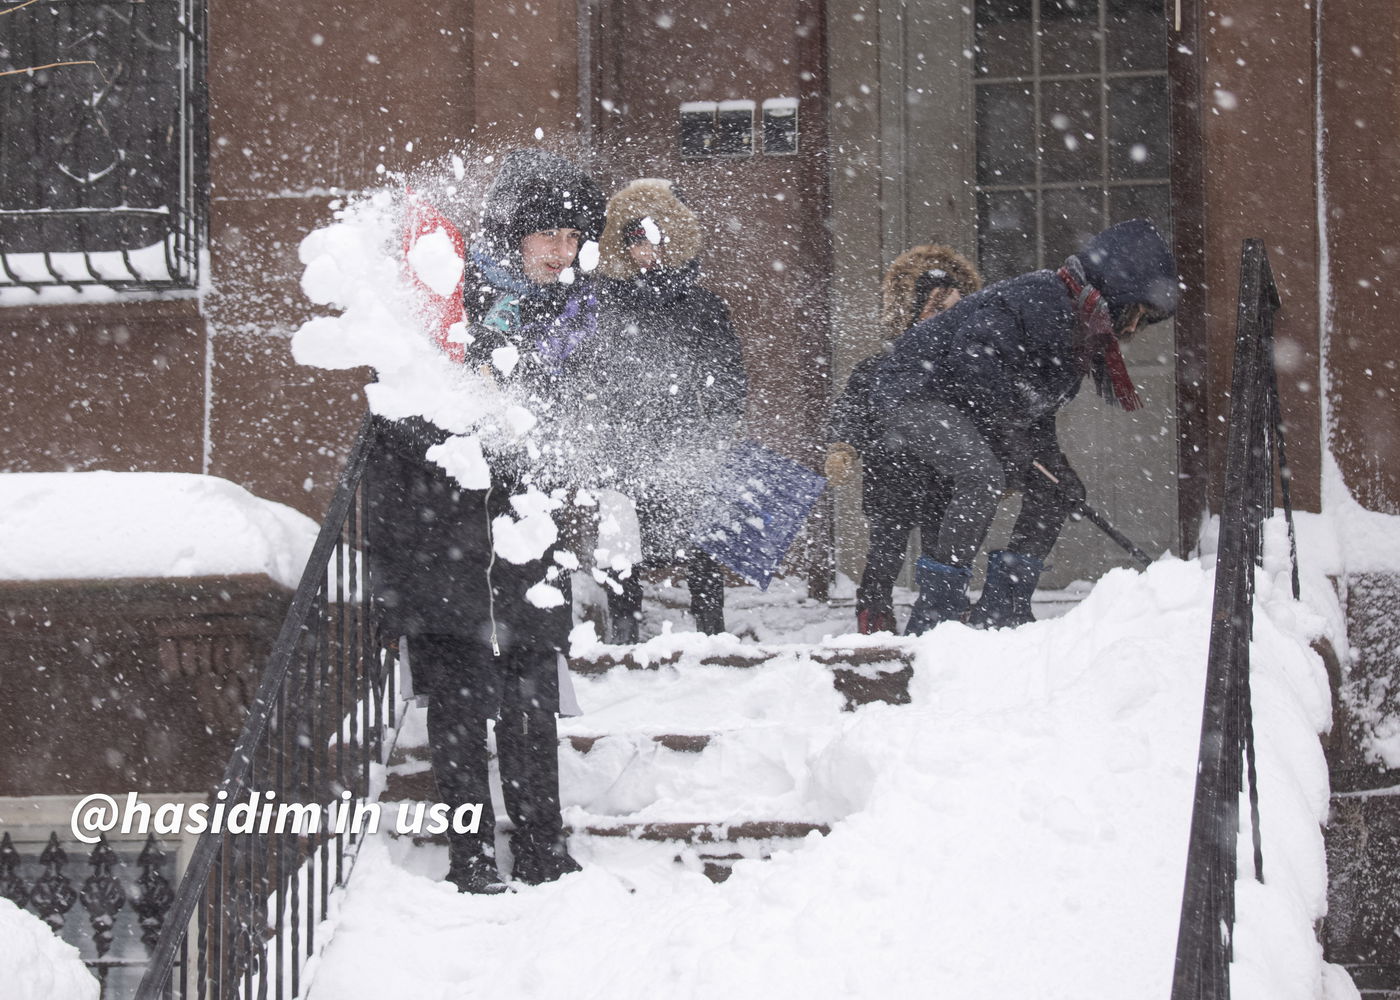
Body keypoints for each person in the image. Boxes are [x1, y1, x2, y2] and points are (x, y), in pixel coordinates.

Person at [365, 149, 605, 893]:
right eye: (549, 236)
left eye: (574, 237)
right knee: (464, 709)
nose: (563, 251)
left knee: (532, 699)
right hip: (449, 539)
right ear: (517, 235)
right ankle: (470, 858)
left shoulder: (566, 317)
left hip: (524, 541)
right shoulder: (453, 305)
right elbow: (403, 415)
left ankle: (541, 847)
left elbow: (564, 427)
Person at [872, 218, 1179, 634]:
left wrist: (1053, 465)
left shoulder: (1080, 330)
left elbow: (1036, 408)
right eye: (1134, 314)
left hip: (965, 403)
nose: (1129, 329)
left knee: (1056, 491)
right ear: (1115, 293)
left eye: (1142, 323)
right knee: (981, 476)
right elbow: (974, 357)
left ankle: (1004, 607)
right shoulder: (1042, 298)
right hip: (916, 390)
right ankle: (936, 614)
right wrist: (1006, 431)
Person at [582, 178, 747, 640]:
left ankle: (713, 634)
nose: (644, 251)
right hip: (620, 441)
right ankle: (624, 636)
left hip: (686, 439)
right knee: (620, 542)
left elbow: (729, 371)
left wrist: (719, 427)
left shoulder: (702, 305)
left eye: (653, 239)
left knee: (701, 541)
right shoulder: (603, 304)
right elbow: (588, 366)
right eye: (635, 241)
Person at [827, 246, 983, 635]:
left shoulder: (966, 368)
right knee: (885, 552)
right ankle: (874, 614)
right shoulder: (882, 366)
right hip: (891, 473)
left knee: (943, 549)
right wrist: (844, 446)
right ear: (912, 313)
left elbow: (986, 417)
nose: (945, 321)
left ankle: (943, 613)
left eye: (954, 312)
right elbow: (852, 408)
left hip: (946, 479)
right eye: (935, 311)